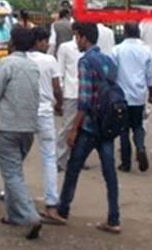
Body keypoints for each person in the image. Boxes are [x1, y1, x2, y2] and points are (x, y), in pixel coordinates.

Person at [45, 21, 121, 234]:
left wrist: (74, 129)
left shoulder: (85, 62)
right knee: (110, 173)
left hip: (89, 126)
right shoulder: (108, 60)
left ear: (84, 38)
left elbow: (85, 100)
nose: (76, 41)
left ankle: (63, 210)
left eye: (77, 36)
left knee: (73, 169)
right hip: (107, 123)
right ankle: (114, 218)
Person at [0, 25, 44, 239]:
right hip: (28, 128)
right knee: (14, 171)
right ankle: (14, 215)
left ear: (12, 43)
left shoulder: (7, 64)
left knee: (11, 173)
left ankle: (30, 216)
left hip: (8, 127)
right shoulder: (33, 66)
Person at [114, 22, 152, 172]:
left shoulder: (117, 50)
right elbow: (150, 75)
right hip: (139, 94)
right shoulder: (146, 50)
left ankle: (125, 163)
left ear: (125, 32)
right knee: (138, 125)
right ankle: (140, 147)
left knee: (123, 129)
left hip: (122, 95)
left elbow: (112, 73)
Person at [28, 25, 63, 214]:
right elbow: (57, 87)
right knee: (49, 156)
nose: (48, 44)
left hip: (26, 112)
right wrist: (59, 104)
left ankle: (10, 190)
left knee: (17, 154)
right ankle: (51, 199)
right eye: (45, 41)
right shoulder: (50, 60)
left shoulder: (23, 59)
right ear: (38, 42)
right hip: (45, 112)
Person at [55, 23, 83, 171]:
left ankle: (76, 158)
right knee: (67, 127)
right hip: (71, 93)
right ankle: (60, 159)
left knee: (82, 128)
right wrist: (61, 92)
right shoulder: (66, 47)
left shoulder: (88, 48)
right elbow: (60, 71)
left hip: (85, 93)